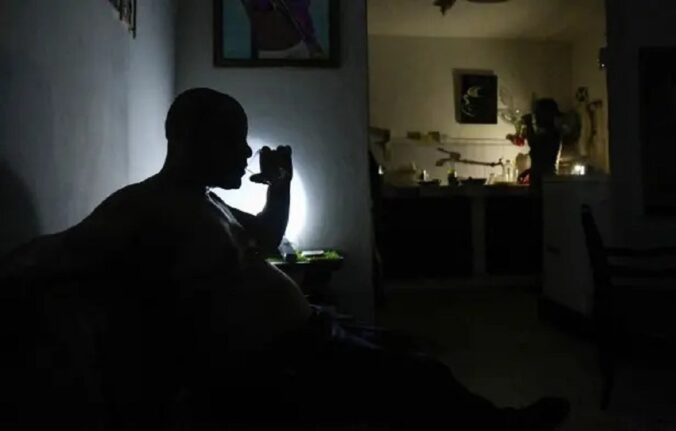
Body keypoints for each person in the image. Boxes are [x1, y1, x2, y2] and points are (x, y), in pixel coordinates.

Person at [21, 88, 569, 429]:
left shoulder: (206, 202)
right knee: (419, 376)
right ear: (188, 139)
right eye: (233, 139)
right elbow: (57, 252)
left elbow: (263, 240)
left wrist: (280, 185)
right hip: (276, 362)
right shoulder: (143, 205)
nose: (245, 152)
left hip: (309, 333)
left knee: (413, 351)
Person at [240, 0, 324, 59]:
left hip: (297, 45)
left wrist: (312, 42)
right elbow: (262, 7)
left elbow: (302, 15)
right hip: (270, 52)